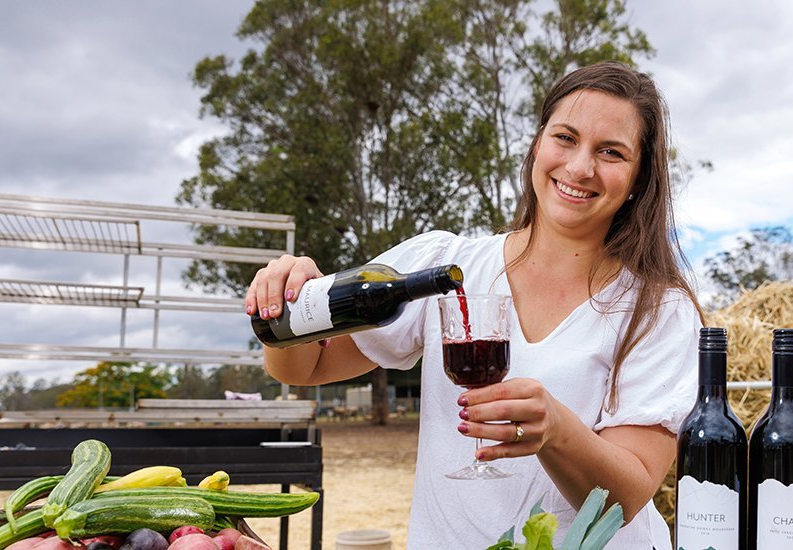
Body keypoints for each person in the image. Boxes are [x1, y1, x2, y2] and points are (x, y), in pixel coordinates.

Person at [246, 61, 704, 549]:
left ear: (637, 179)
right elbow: (305, 367)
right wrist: (286, 307)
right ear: (537, 145)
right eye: (565, 138)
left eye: (611, 152)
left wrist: (557, 429)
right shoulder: (442, 263)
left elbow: (626, 498)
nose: (579, 167)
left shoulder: (659, 310)